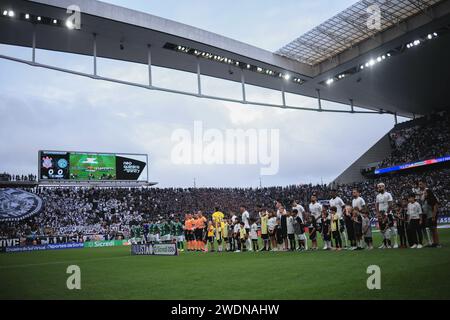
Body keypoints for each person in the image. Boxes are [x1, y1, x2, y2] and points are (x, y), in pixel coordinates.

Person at [376, 183, 398, 248]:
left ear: (384, 187)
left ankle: (395, 243)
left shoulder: (388, 194)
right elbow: (377, 205)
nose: (379, 188)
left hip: (388, 214)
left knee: (392, 228)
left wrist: (387, 213)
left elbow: (390, 204)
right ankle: (384, 244)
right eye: (378, 187)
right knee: (382, 230)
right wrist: (378, 213)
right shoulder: (378, 196)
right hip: (381, 215)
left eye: (380, 187)